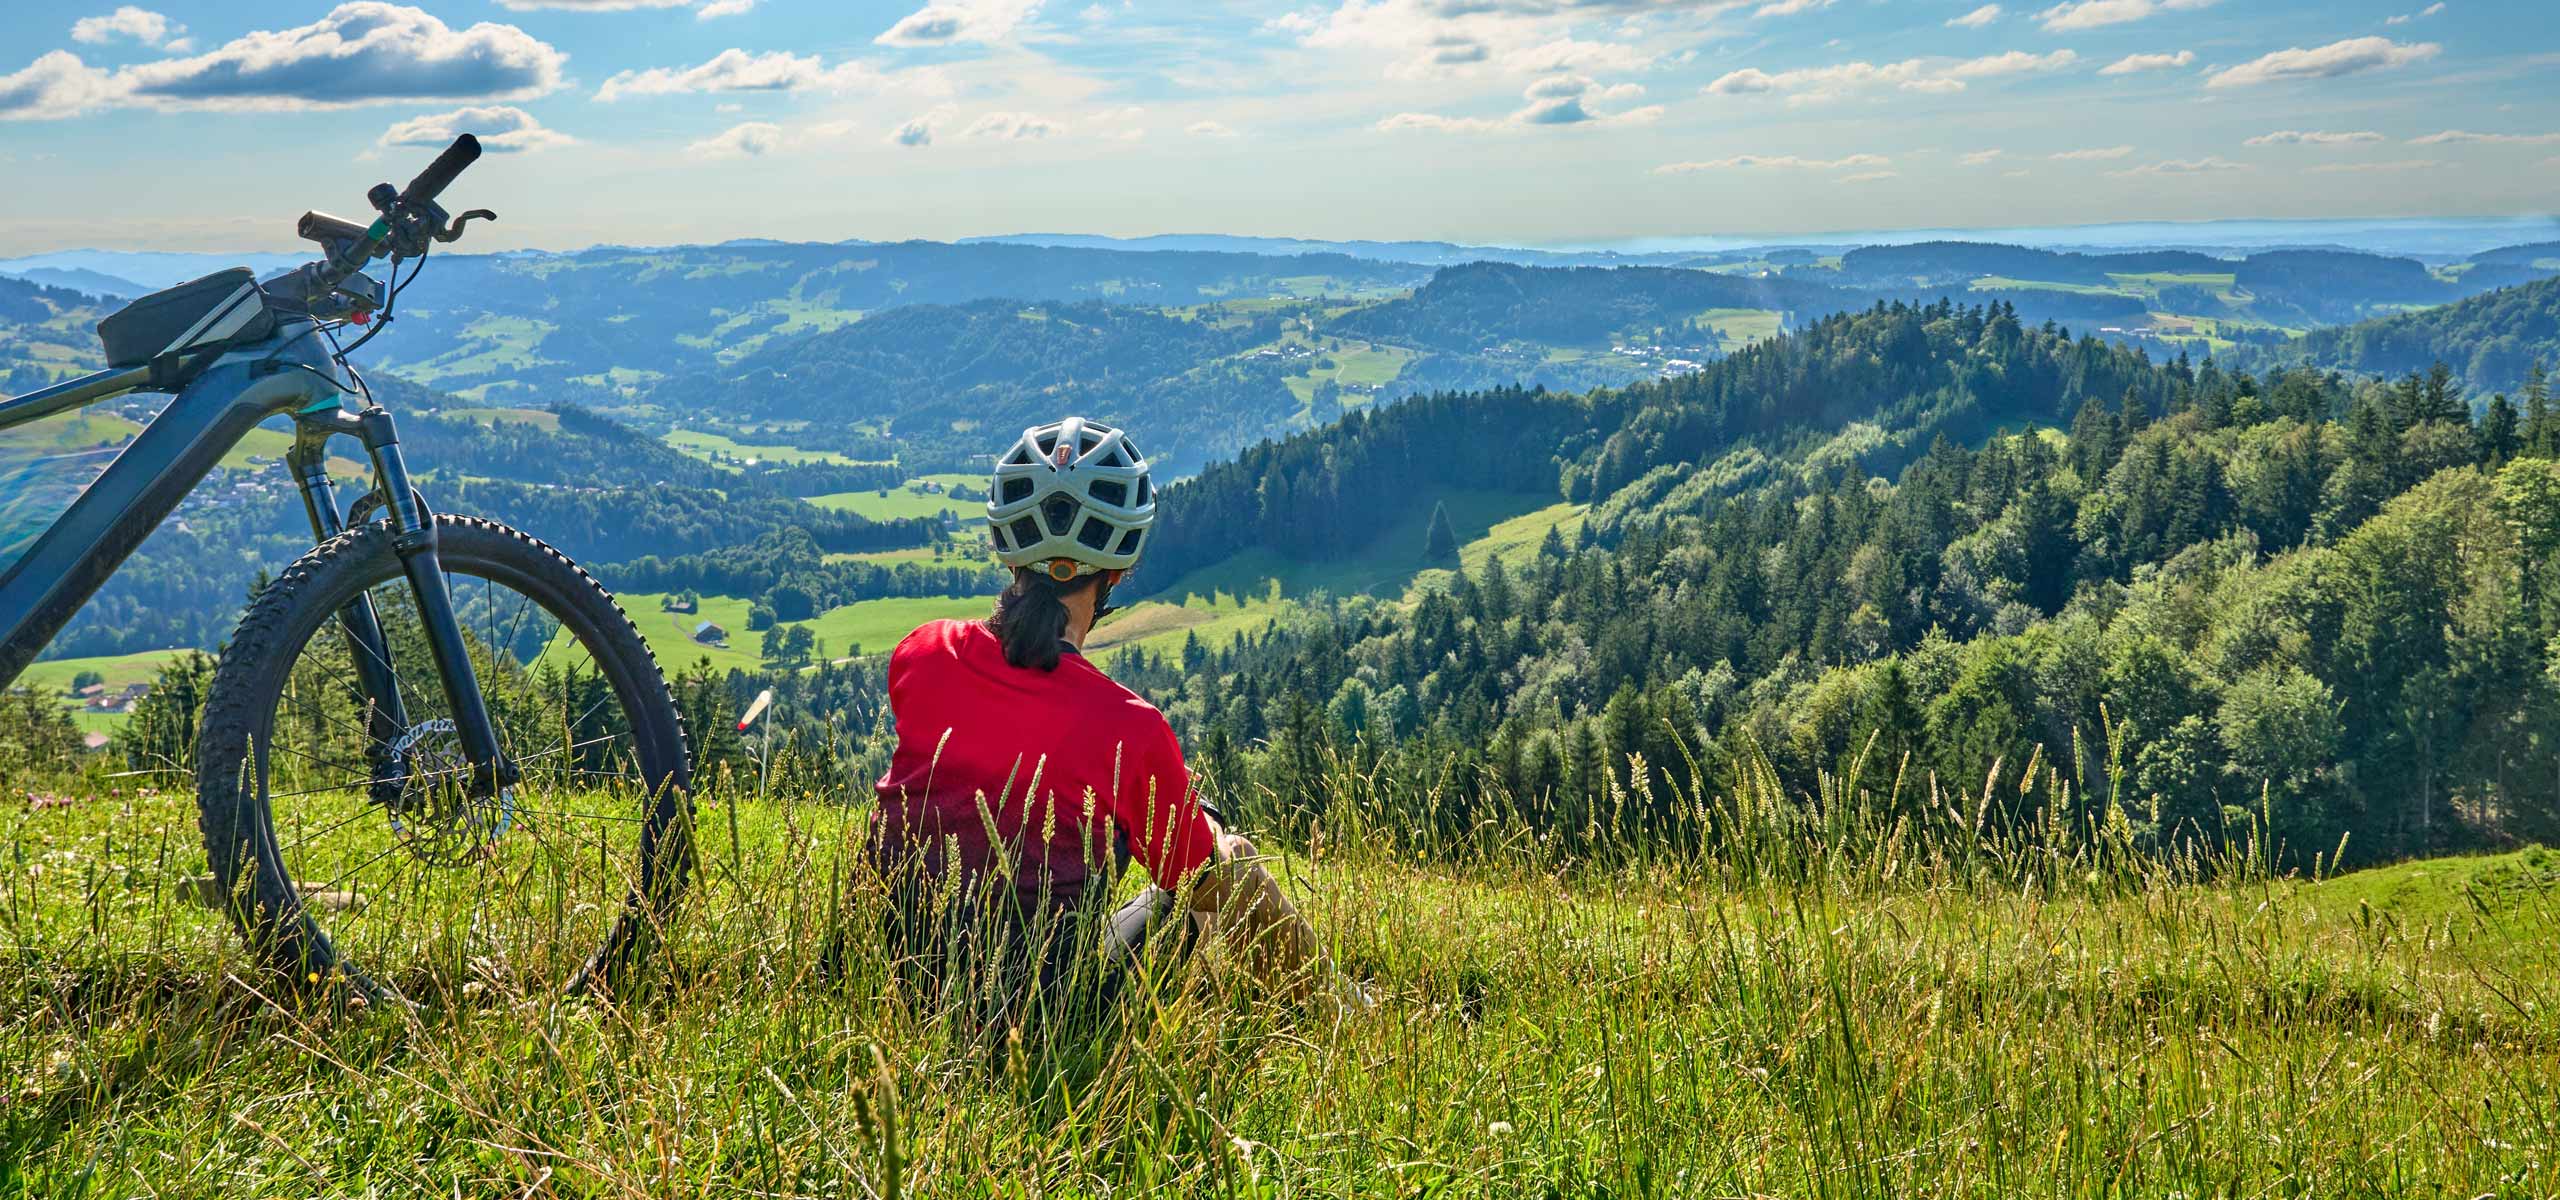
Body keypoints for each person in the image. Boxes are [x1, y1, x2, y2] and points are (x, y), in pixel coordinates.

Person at [867, 417, 1358, 1035]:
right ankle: (1345, 1021)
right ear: (1119, 571)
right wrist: (1201, 824)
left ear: (1009, 548)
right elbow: (1199, 874)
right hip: (1034, 1020)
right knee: (1223, 862)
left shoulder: (923, 653)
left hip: (890, 980)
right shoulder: (1127, 728)